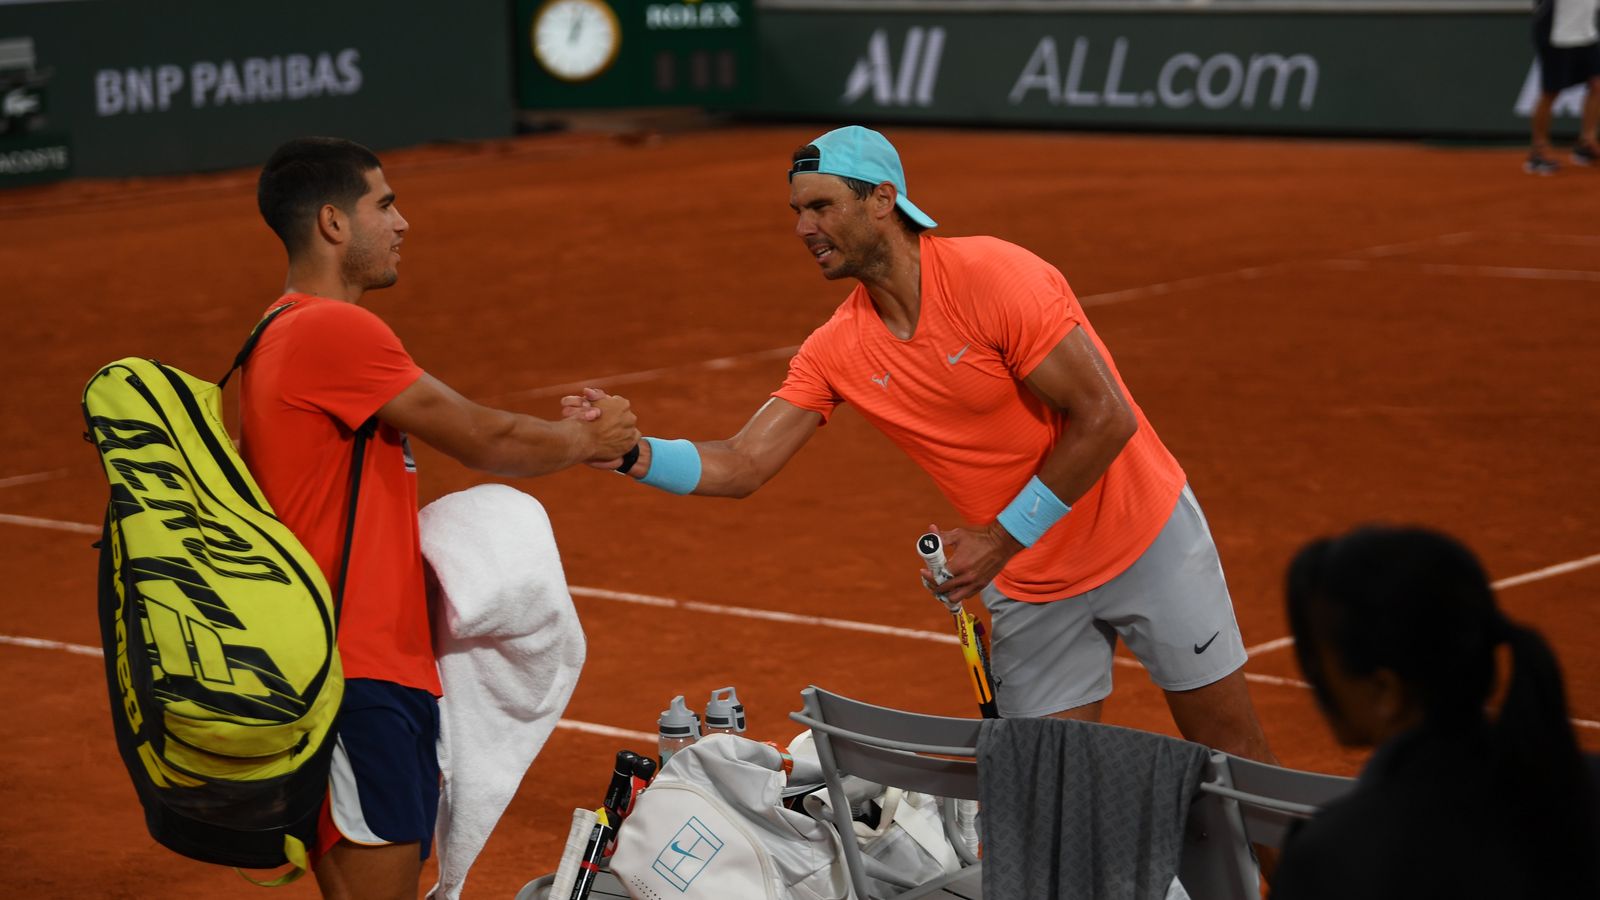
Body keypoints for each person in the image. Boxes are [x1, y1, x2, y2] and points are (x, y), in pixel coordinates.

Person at [566, 125, 1275, 766]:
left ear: (882, 201)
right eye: (797, 212)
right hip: (1032, 585)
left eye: (821, 206)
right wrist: (631, 452)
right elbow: (745, 463)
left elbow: (1105, 417)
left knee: (1231, 751)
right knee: (1043, 789)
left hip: (1142, 538)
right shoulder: (836, 348)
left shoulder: (995, 277)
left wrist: (998, 540)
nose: (804, 228)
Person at [246, 136, 638, 900]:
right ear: (332, 222)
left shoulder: (277, 330)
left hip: (335, 667)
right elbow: (484, 436)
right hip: (354, 672)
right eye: (384, 203)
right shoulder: (332, 329)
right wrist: (593, 438)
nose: (403, 222)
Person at [1271, 526, 1600, 899]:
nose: (1313, 680)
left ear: (1385, 692)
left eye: (1319, 665)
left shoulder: (1332, 857)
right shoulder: (1585, 786)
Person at [1526, 0, 1600, 174]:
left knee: (1597, 84)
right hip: (1557, 37)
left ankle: (1587, 143)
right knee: (1550, 92)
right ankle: (1538, 152)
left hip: (1587, 35)